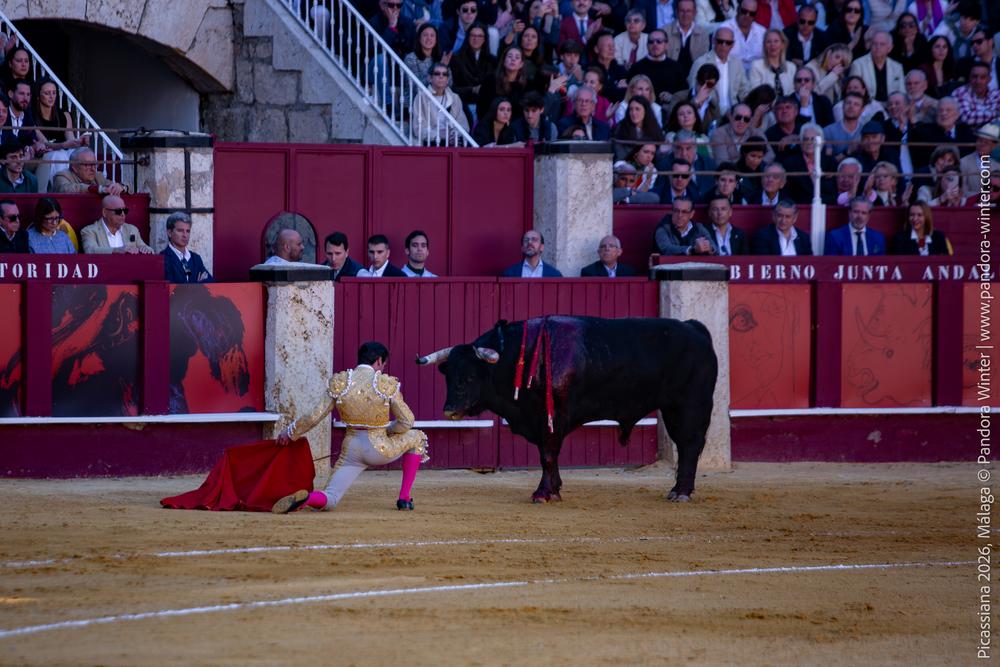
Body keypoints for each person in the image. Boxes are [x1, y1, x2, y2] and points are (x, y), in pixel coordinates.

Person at [271, 341, 429, 514]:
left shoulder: (341, 382)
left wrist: (290, 432)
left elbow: (314, 416)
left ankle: (307, 499)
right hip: (380, 448)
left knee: (330, 498)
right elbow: (407, 421)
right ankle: (404, 499)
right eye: (383, 364)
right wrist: (390, 431)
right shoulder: (385, 384)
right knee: (417, 437)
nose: (383, 368)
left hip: (351, 449)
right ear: (378, 361)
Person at [32, 78, 88, 194]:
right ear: (38, 96)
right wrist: (64, 145)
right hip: (45, 153)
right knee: (59, 154)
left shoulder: (64, 114)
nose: (51, 97)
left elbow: (70, 139)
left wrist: (79, 143)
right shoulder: (31, 116)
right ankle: (62, 190)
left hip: (62, 150)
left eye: (54, 93)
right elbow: (45, 143)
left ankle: (82, 188)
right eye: (47, 93)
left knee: (82, 153)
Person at [689, 26, 747, 115]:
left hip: (733, 114)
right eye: (720, 41)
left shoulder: (737, 63)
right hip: (709, 113)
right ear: (713, 41)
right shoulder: (700, 62)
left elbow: (744, 90)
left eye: (728, 43)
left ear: (732, 45)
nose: (724, 45)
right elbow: (692, 90)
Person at [626, 29, 687, 106]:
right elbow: (630, 93)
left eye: (659, 41)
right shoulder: (637, 67)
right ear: (647, 45)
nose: (655, 44)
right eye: (651, 42)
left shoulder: (676, 67)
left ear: (666, 45)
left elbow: (684, 92)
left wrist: (672, 97)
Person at [413, 62, 470, 144]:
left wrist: (454, 134)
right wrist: (438, 135)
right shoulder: (421, 98)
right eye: (437, 73)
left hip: (452, 140)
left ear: (447, 79)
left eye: (445, 74)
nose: (441, 76)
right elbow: (418, 128)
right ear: (430, 78)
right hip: (431, 141)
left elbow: (463, 125)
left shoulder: (455, 98)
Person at [80, 195, 154, 255]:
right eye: (118, 211)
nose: (123, 214)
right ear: (105, 212)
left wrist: (146, 249)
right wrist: (116, 250)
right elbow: (90, 251)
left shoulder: (132, 229)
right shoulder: (89, 231)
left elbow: (144, 247)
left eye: (125, 211)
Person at [848, 30, 904, 104]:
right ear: (870, 46)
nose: (878, 47)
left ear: (890, 48)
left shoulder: (897, 67)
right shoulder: (858, 64)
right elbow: (854, 93)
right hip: (867, 106)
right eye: (874, 44)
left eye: (882, 44)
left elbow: (902, 92)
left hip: (891, 107)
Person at [161, 212, 213, 283]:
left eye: (188, 231)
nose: (185, 235)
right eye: (180, 231)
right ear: (169, 233)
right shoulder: (162, 259)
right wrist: (198, 283)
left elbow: (210, 283)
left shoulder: (196, 258)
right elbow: (170, 287)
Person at [51, 147, 126, 195]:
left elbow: (127, 186)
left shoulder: (98, 176)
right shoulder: (62, 176)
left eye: (94, 164)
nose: (93, 169)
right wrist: (95, 189)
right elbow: (66, 189)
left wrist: (121, 187)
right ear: (74, 167)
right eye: (87, 165)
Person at [664, 0, 710, 75]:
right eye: (682, 11)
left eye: (689, 11)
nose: (685, 15)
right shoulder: (665, 32)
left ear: (695, 13)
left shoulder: (703, 34)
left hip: (695, 77)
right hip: (669, 76)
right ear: (676, 12)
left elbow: (704, 61)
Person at [721, 0, 766, 75]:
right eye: (744, 11)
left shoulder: (762, 32)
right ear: (738, 9)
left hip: (757, 76)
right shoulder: (724, 29)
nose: (747, 16)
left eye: (752, 13)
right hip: (731, 74)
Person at [953, 62, 1000, 130]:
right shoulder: (960, 93)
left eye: (983, 77)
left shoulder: (997, 94)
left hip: (994, 137)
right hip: (969, 137)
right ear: (969, 77)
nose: (978, 81)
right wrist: (996, 113)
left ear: (989, 79)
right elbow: (967, 118)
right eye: (974, 77)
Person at [749, 29, 795, 96]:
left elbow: (793, 93)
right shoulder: (756, 66)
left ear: (782, 44)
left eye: (776, 41)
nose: (772, 45)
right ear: (764, 45)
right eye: (768, 42)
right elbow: (756, 93)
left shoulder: (791, 67)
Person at [962, 123, 1000, 197]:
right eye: (980, 140)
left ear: (994, 146)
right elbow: (962, 192)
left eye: (986, 143)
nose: (981, 145)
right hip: (971, 207)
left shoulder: (997, 166)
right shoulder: (963, 163)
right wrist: (982, 196)